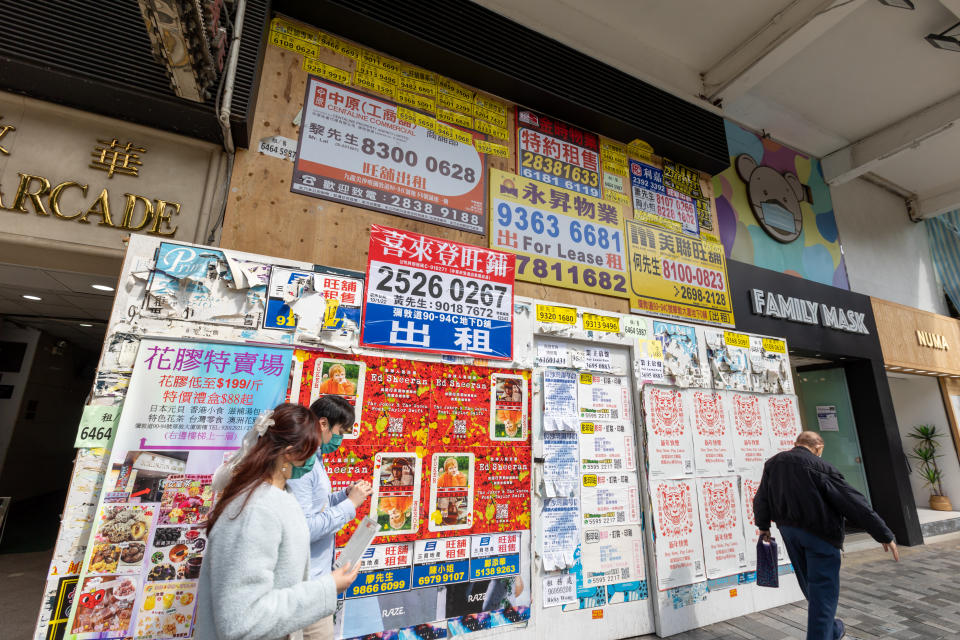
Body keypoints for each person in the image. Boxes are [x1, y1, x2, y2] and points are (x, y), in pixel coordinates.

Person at [195, 403, 359, 640]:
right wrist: (327, 588)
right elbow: (242, 620)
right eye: (310, 451)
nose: (313, 459)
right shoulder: (257, 510)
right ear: (290, 453)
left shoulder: (273, 497)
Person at [754, 431, 899, 640]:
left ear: (796, 444)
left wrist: (763, 526)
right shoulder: (822, 467)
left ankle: (831, 630)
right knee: (822, 590)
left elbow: (761, 498)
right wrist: (883, 533)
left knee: (809, 584)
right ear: (818, 448)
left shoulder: (774, 463)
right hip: (820, 535)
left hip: (789, 532)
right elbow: (854, 502)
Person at [288, 395, 373, 640]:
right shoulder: (302, 464)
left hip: (314, 582)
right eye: (340, 431)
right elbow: (303, 527)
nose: (340, 439)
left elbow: (317, 507)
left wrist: (343, 496)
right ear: (323, 424)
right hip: (305, 587)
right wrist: (350, 505)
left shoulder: (314, 458)